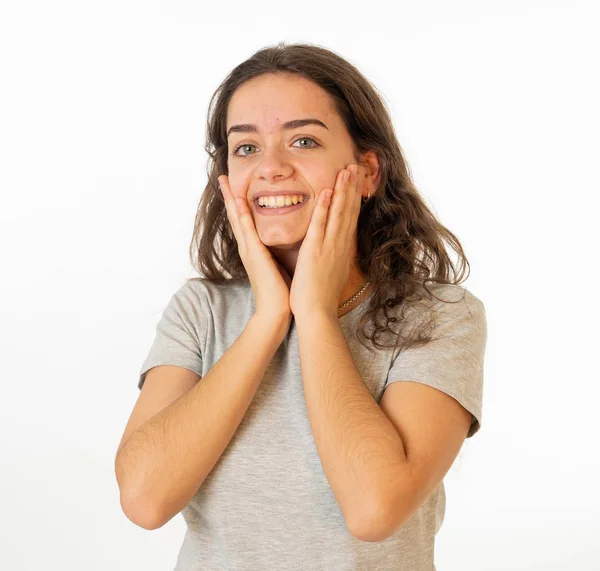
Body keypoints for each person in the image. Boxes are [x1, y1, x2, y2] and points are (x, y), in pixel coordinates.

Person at [115, 42, 487, 571]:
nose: (271, 168)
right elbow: (145, 500)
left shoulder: (440, 315)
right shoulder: (201, 309)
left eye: (304, 140)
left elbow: (374, 510)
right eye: (245, 148)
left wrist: (313, 315)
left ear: (367, 171)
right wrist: (269, 318)